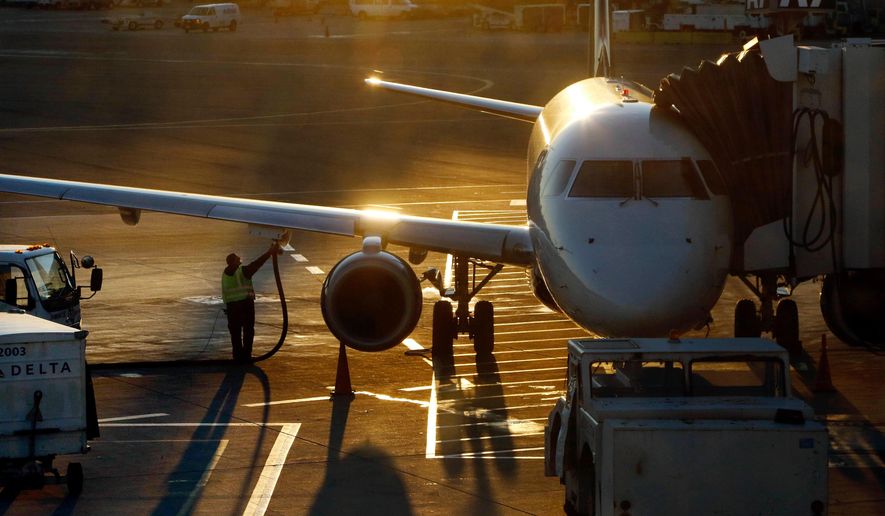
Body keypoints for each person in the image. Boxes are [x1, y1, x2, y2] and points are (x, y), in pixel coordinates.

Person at [222, 243, 279, 362]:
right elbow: (257, 263)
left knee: (235, 333)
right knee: (248, 331)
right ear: (233, 262)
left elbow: (225, 292)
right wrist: (269, 252)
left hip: (232, 307)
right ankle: (246, 356)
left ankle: (237, 356)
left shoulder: (225, 274)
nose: (240, 260)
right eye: (238, 259)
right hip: (245, 305)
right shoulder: (242, 271)